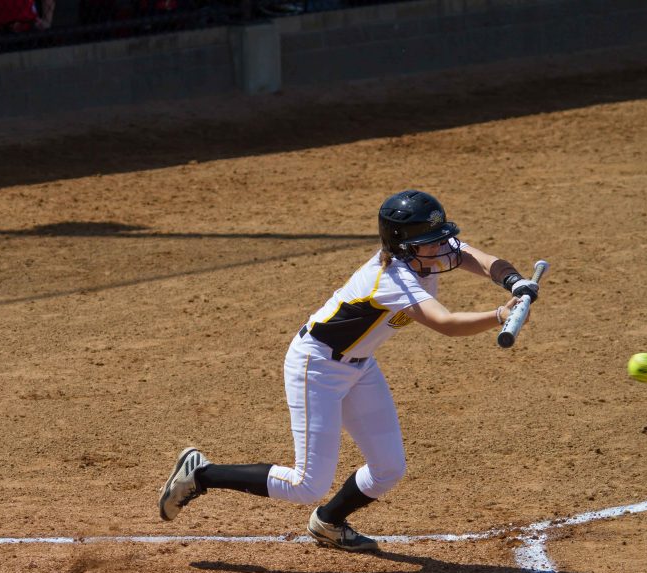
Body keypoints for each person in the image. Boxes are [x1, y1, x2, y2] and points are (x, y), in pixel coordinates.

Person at [158, 189, 540, 551]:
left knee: (388, 468)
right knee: (306, 484)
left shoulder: (425, 252)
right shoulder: (393, 279)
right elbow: (446, 323)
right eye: (434, 240)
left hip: (360, 368)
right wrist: (499, 314)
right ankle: (201, 474)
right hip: (317, 366)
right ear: (404, 244)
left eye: (443, 238)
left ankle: (328, 522)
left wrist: (514, 280)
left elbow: (475, 256)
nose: (443, 247)